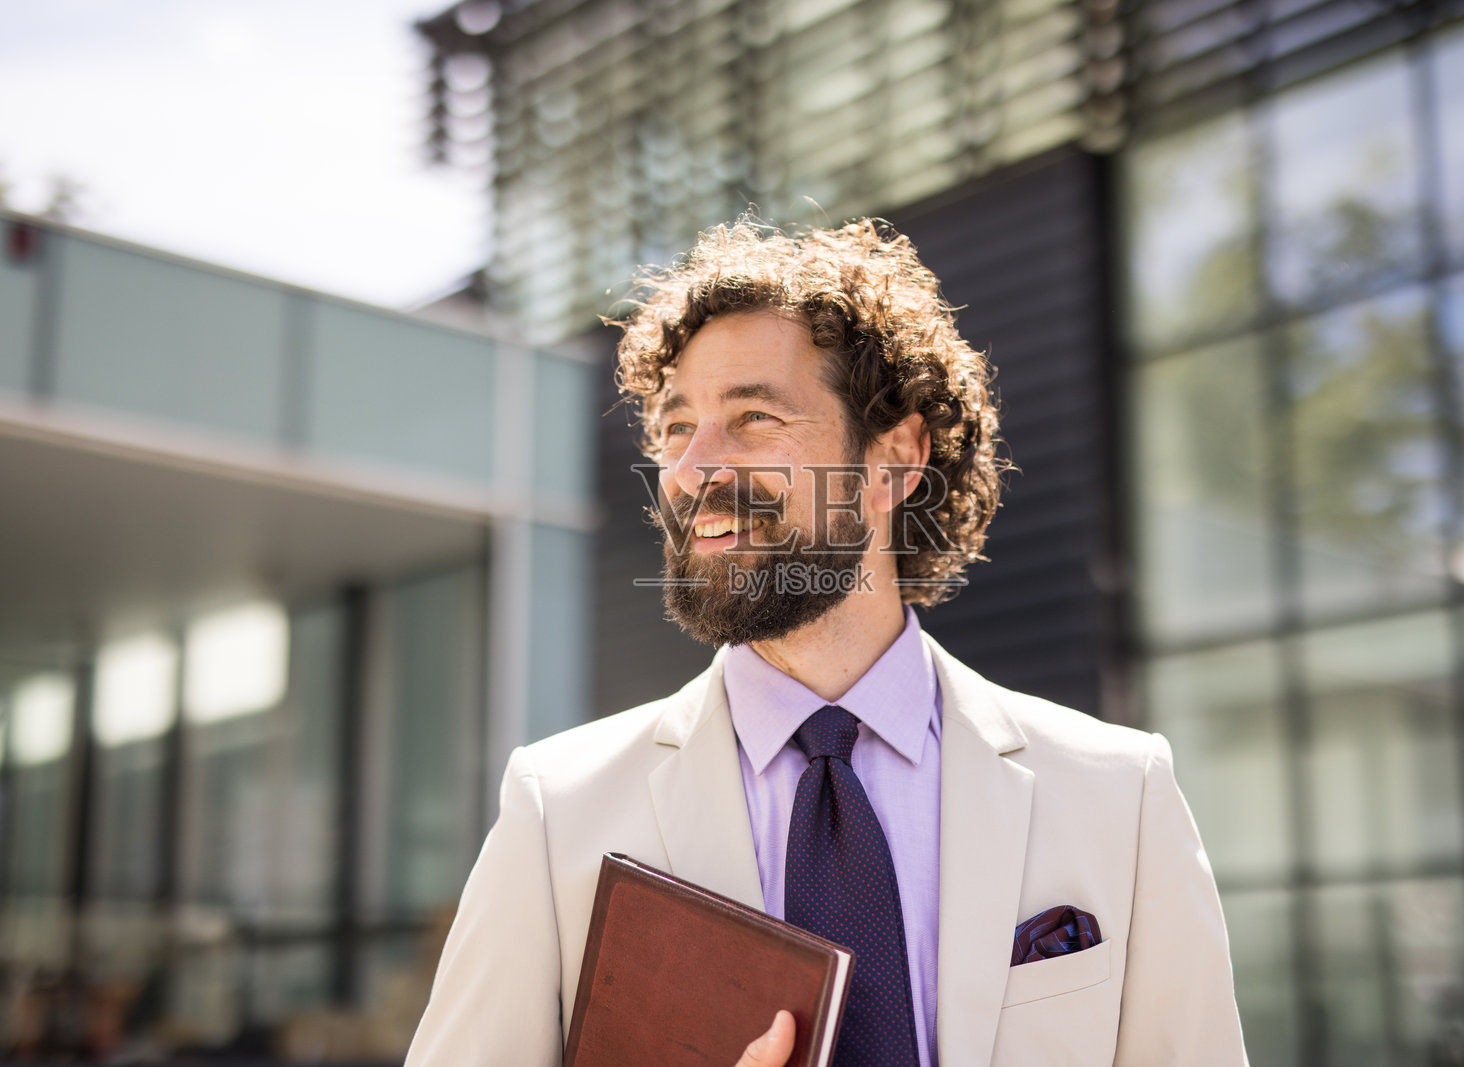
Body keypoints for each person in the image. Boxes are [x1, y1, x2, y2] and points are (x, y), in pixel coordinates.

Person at [404, 219, 1248, 1066]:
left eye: (755, 416)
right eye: (674, 429)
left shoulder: (1120, 795)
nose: (693, 470)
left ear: (895, 459)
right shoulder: (557, 812)